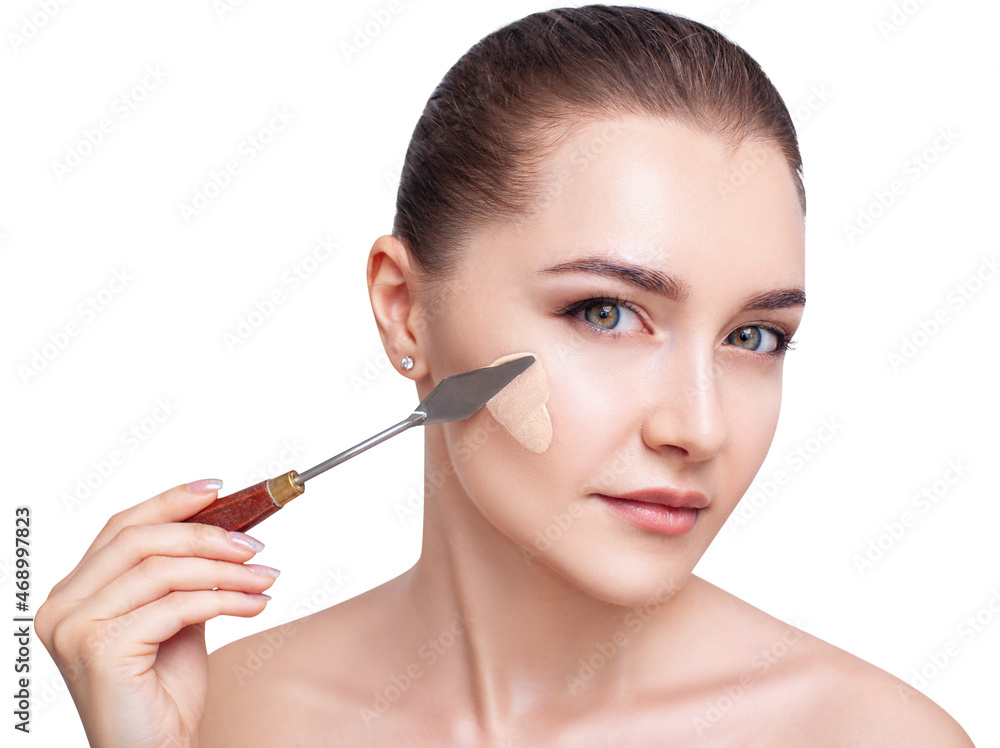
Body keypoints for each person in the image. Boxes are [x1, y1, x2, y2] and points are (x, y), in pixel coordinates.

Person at [37, 5, 975, 746]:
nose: (698, 427)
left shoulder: (869, 737)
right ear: (406, 309)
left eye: (755, 338)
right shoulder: (213, 724)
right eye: (605, 312)